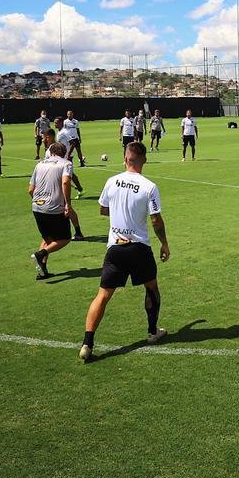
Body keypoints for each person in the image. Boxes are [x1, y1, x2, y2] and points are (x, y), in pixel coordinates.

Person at [78, 142, 171, 362]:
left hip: (115, 248)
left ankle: (87, 343)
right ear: (144, 160)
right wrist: (164, 244)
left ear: (125, 158)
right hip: (139, 248)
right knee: (151, 288)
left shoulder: (111, 181)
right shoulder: (149, 186)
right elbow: (156, 219)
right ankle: (152, 332)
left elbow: (102, 209)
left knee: (103, 295)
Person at [28, 142, 75, 280]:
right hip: (54, 208)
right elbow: (66, 182)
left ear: (51, 152)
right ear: (64, 153)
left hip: (36, 206)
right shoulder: (66, 164)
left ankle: (42, 271)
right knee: (65, 238)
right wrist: (68, 204)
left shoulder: (39, 164)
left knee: (47, 238)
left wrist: (38, 201)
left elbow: (30, 189)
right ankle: (41, 253)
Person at [41, 127, 85, 239]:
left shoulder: (53, 149)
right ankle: (77, 232)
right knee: (65, 207)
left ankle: (75, 232)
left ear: (48, 137)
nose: (42, 139)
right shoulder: (50, 148)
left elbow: (60, 165)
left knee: (66, 207)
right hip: (55, 184)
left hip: (58, 184)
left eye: (43, 137)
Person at [53, 118, 84, 196]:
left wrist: (68, 155)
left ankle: (78, 189)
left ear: (60, 123)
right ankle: (79, 189)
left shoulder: (64, 132)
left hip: (66, 157)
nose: (54, 124)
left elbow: (73, 143)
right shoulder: (60, 132)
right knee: (68, 174)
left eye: (56, 123)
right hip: (61, 156)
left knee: (69, 174)